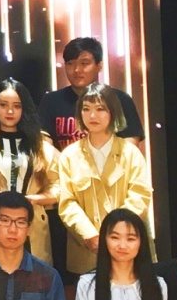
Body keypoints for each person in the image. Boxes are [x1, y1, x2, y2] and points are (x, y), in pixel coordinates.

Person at [55, 83, 152, 277]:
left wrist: (115, 235)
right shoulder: (69, 155)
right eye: (86, 109)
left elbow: (140, 196)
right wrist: (90, 236)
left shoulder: (130, 153)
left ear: (113, 113)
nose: (92, 115)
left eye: (100, 109)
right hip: (86, 250)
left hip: (127, 246)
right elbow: (67, 203)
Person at [0, 79, 60, 264]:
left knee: (34, 277)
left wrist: (37, 199)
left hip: (32, 223)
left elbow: (59, 183)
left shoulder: (41, 143)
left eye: (17, 106)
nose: (9, 111)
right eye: (3, 105)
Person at [38, 38, 145, 152]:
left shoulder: (120, 99)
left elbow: (130, 145)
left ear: (99, 66)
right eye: (70, 64)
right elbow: (44, 143)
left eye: (84, 63)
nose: (77, 69)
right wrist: (65, 161)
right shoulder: (51, 101)